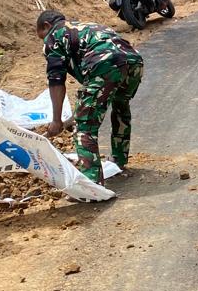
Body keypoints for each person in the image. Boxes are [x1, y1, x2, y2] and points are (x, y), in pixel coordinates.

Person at [37, 9, 143, 185]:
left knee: (85, 127)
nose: (43, 41)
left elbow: (56, 79)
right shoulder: (84, 26)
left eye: (41, 35)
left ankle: (91, 183)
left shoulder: (54, 35)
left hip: (105, 63)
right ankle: (119, 160)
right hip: (134, 61)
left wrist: (56, 120)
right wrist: (73, 117)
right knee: (120, 105)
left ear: (46, 26)